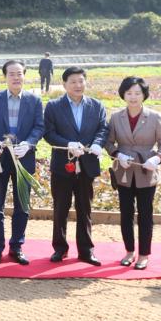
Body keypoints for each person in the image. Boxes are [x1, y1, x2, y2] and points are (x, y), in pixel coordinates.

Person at [0, 60, 45, 265]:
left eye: (19, 73)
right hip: (0, 158)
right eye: (11, 74)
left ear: (24, 75)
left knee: (22, 206)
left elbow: (39, 127)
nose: (16, 77)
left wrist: (29, 143)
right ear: (5, 76)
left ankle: (16, 246)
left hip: (23, 158)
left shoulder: (34, 100)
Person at [43, 66, 108, 266]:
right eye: (73, 81)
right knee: (60, 208)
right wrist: (67, 144)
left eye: (81, 81)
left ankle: (86, 251)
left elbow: (103, 129)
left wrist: (98, 143)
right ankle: (60, 249)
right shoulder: (53, 106)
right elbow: (48, 133)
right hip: (63, 165)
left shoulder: (96, 106)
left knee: (85, 209)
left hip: (87, 165)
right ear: (64, 84)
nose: (78, 85)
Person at [105, 77, 161, 270]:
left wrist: (157, 158)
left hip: (146, 171)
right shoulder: (116, 117)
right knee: (125, 213)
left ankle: (144, 254)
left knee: (145, 214)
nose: (133, 97)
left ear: (144, 95)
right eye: (129, 93)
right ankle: (129, 251)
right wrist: (117, 154)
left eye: (137, 93)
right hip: (124, 171)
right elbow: (108, 142)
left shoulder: (155, 117)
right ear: (123, 94)